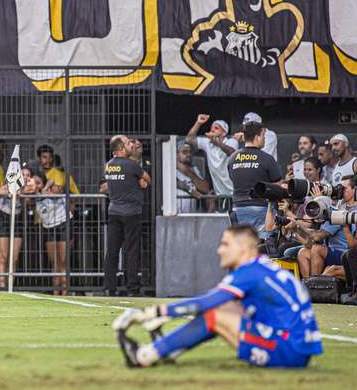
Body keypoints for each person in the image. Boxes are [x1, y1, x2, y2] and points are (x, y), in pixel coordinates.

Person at [113, 225, 322, 369]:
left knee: (216, 314)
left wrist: (153, 312)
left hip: (288, 351)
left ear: (242, 248)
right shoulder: (262, 267)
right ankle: (168, 349)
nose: (219, 250)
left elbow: (207, 302)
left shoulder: (249, 272)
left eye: (225, 244)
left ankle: (144, 356)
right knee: (224, 309)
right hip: (297, 347)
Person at [103, 135, 150, 296]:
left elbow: (107, 186)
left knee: (112, 250)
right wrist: (139, 182)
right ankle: (133, 288)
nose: (131, 145)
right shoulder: (132, 165)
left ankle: (110, 287)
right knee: (131, 250)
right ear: (121, 149)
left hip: (114, 211)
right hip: (132, 213)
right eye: (128, 143)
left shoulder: (108, 165)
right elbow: (147, 179)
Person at [296, 177, 357, 277]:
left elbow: (317, 236)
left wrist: (320, 201)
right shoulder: (339, 207)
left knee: (317, 249)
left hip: (343, 253)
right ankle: (308, 286)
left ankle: (315, 285)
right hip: (329, 250)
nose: (340, 190)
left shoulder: (343, 212)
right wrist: (295, 228)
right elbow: (312, 238)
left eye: (345, 188)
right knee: (303, 252)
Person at [228, 122, 282, 240]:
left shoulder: (232, 158)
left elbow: (233, 178)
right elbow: (277, 186)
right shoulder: (267, 158)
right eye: (263, 136)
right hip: (261, 208)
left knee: (242, 246)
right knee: (263, 246)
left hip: (238, 208)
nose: (264, 139)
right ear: (257, 137)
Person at [0, 166, 38, 290]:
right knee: (3, 255)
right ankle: (2, 286)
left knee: (14, 257)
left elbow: (30, 200)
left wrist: (26, 193)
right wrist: (10, 191)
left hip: (17, 218)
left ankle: (10, 284)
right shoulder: (10, 184)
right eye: (23, 174)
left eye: (28, 175)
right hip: (2, 217)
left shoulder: (28, 188)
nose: (25, 177)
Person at [185, 115, 238, 205]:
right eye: (211, 128)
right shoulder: (207, 143)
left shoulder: (231, 141)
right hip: (220, 194)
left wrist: (216, 141)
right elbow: (189, 139)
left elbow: (230, 152)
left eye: (216, 128)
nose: (212, 130)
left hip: (234, 192)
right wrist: (198, 123)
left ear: (224, 133)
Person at [176, 141, 210, 213]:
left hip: (191, 215)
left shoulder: (194, 170)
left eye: (190, 152)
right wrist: (190, 190)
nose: (188, 154)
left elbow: (205, 188)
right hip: (175, 214)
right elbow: (174, 182)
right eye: (184, 152)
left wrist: (188, 172)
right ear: (176, 154)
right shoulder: (170, 169)